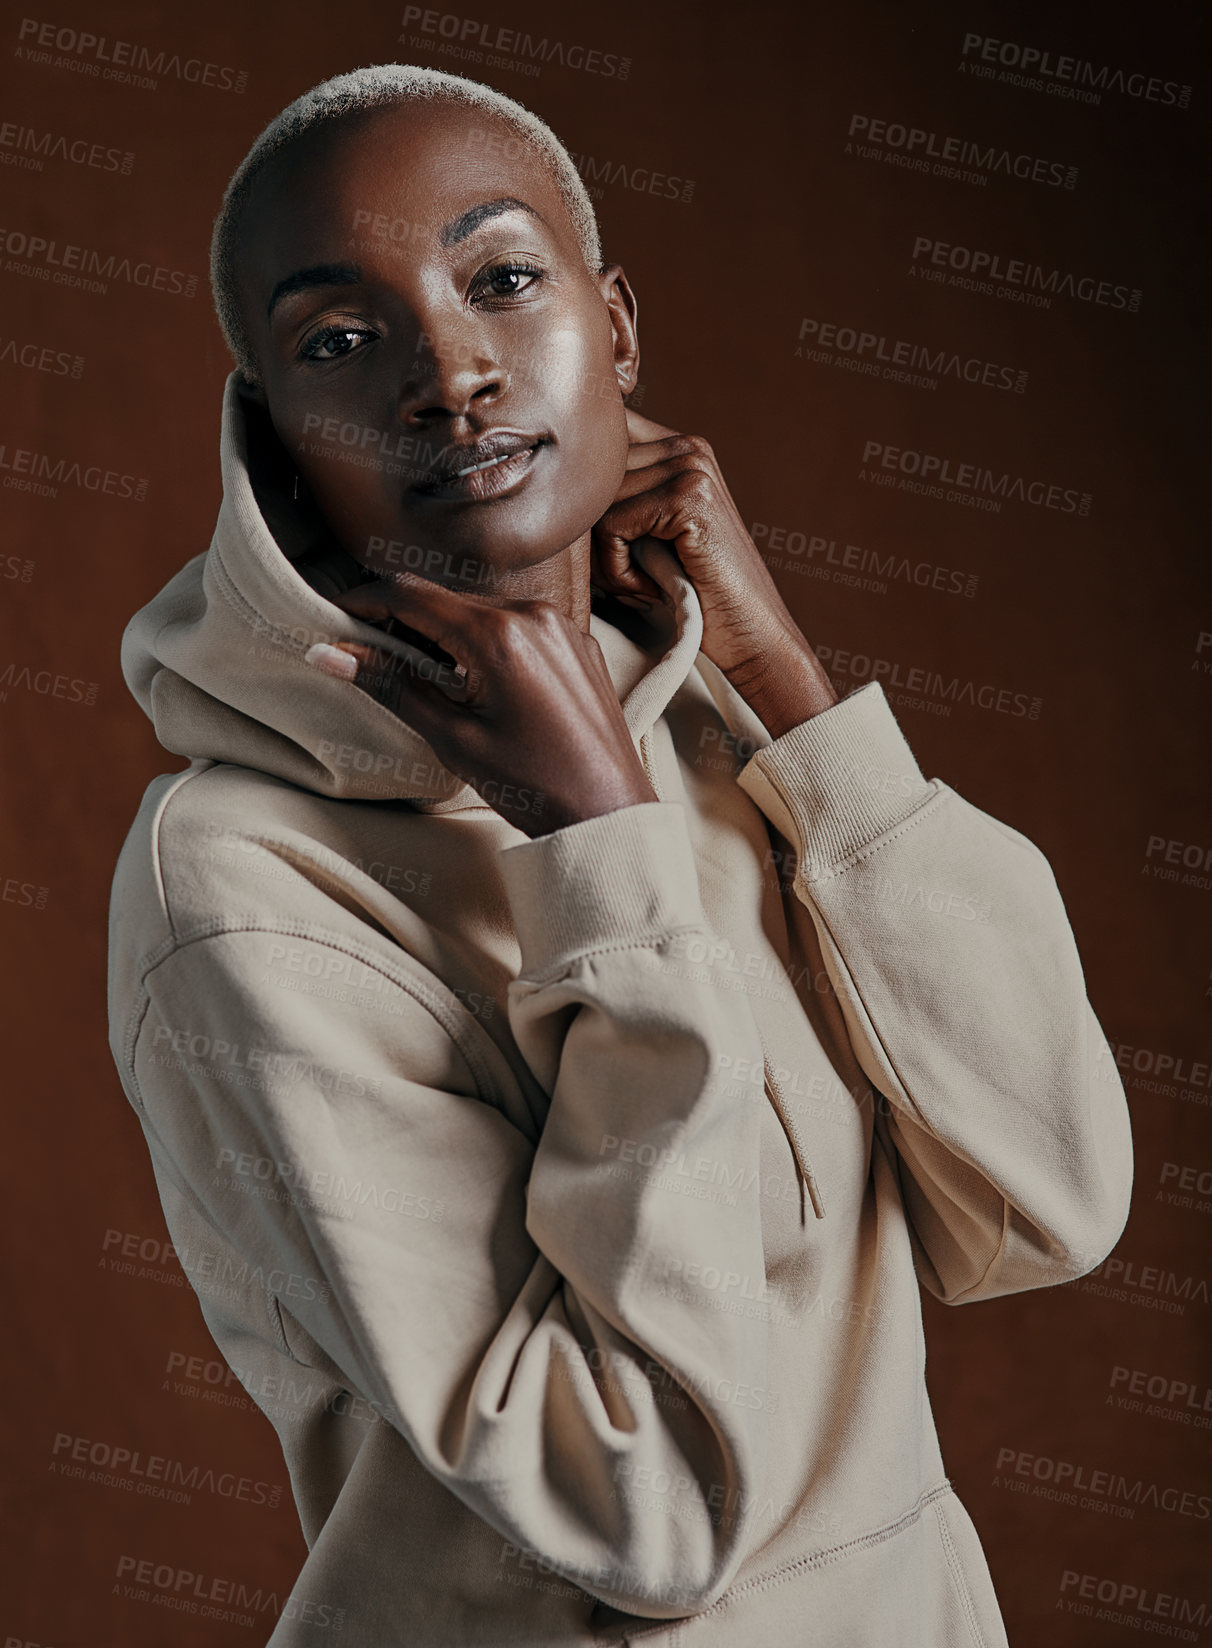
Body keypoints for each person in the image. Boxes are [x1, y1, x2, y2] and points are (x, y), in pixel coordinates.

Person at [106, 62, 1134, 1647]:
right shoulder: (239, 884)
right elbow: (635, 1511)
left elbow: (1048, 1197)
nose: (449, 372)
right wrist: (597, 853)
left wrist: (787, 690)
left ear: (620, 328)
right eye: (338, 340)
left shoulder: (702, 712)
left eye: (503, 280)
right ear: (276, 436)